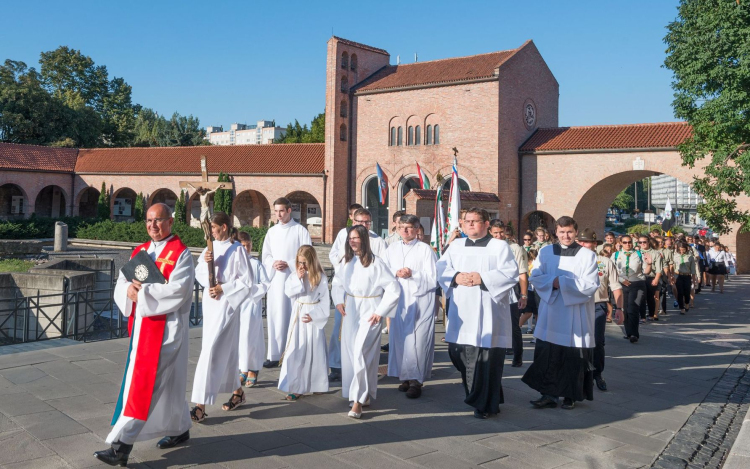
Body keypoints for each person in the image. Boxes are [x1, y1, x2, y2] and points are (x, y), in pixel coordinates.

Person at [95, 204, 195, 467]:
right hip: (143, 327)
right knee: (170, 382)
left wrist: (143, 294)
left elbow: (180, 290)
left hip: (166, 328)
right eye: (149, 220)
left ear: (171, 222)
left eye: (159, 220)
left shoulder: (181, 254)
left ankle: (121, 446)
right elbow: (123, 281)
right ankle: (179, 428)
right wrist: (128, 291)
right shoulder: (141, 251)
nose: (153, 225)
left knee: (145, 385)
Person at [437, 208, 519, 419]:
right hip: (461, 310)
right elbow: (440, 269)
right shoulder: (455, 245)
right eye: (467, 221)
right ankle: (486, 397)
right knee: (459, 355)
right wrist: (455, 277)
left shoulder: (499, 246)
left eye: (475, 221)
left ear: (486, 224)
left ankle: (484, 404)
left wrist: (482, 278)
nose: (470, 225)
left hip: (488, 313)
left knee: (486, 359)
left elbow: (510, 273)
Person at [522, 217, 599, 411]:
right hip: (551, 311)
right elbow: (535, 277)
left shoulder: (586, 256)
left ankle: (570, 396)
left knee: (572, 356)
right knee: (548, 354)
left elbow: (590, 285)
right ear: (555, 232)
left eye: (570, 232)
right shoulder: (546, 251)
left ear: (575, 232)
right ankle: (548, 394)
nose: (566, 236)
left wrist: (560, 283)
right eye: (562, 232)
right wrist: (553, 282)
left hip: (575, 312)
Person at [190, 212, 255, 422]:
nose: (213, 234)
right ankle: (238, 392)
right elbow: (199, 271)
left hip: (227, 304)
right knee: (224, 352)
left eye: (215, 229)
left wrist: (223, 288)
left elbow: (247, 281)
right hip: (210, 304)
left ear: (225, 227)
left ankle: (199, 405)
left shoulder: (237, 250)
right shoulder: (210, 247)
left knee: (210, 350)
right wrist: (206, 263)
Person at [332, 225, 400, 418]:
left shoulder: (376, 263)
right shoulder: (346, 262)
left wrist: (380, 311)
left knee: (361, 353)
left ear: (364, 239)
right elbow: (337, 283)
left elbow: (393, 288)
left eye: (356, 238)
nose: (352, 241)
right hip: (351, 309)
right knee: (352, 355)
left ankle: (358, 402)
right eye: (350, 238)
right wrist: (338, 301)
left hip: (370, 311)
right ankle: (364, 393)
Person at [328, 208, 386, 381]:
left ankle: (363, 368)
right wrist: (346, 265)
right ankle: (337, 365)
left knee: (364, 336)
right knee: (341, 330)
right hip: (349, 292)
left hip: (368, 296)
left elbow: (384, 265)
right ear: (353, 221)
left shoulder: (377, 240)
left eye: (367, 222)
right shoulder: (344, 235)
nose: (364, 225)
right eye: (360, 222)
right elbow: (334, 255)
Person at [384, 215, 438, 399]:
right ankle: (404, 377)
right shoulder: (391, 248)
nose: (405, 230)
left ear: (417, 229)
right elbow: (383, 271)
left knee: (418, 340)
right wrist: (396, 272)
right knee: (401, 339)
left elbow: (432, 277)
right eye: (402, 227)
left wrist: (412, 274)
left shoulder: (425, 250)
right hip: (400, 300)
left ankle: (416, 380)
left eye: (409, 227)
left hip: (420, 301)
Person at [262, 197, 312, 368]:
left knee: (291, 316)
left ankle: (292, 352)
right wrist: (273, 263)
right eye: (276, 211)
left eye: (281, 211)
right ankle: (274, 354)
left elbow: (307, 255)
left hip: (293, 280)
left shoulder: (300, 231)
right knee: (276, 316)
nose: (278, 214)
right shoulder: (272, 232)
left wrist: (290, 264)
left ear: (289, 210)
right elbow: (266, 255)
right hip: (276, 280)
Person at [279, 245, 330, 400]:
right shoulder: (294, 275)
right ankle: (296, 386)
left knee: (315, 351)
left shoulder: (321, 277)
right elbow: (288, 292)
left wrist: (315, 315)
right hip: (299, 316)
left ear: (312, 261)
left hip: (312, 316)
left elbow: (325, 301)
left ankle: (318, 384)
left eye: (305, 263)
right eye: (299, 262)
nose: (302, 266)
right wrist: (298, 280)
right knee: (298, 350)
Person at [577, 229, 623, 392]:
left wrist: (619, 308)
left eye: (587, 242)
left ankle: (597, 374)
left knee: (597, 342)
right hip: (578, 306)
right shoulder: (573, 260)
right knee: (578, 343)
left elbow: (615, 286)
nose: (583, 245)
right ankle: (580, 374)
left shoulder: (604, 261)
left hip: (598, 305)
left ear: (595, 244)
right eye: (581, 242)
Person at [489, 220, 528, 367]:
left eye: (501, 232)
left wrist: (524, 295)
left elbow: (522, 272)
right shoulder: (487, 246)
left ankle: (518, 356)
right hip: (491, 290)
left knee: (513, 325)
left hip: (511, 291)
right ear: (490, 232)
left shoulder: (514, 248)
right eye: (495, 233)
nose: (499, 235)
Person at [237, 232, 270, 388]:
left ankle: (253, 369)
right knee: (240, 339)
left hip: (251, 305)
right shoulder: (235, 263)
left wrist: (252, 290)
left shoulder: (256, 264)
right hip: (238, 305)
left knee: (252, 338)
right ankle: (243, 369)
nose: (245, 248)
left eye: (248, 245)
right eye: (242, 245)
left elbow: (265, 283)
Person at [614, 235, 651, 343]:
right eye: (624, 242)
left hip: (638, 284)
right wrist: (621, 280)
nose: (627, 244)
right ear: (620, 243)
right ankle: (628, 332)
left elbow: (646, 272)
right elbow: (611, 272)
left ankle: (634, 334)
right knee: (624, 309)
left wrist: (649, 263)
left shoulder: (639, 254)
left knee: (633, 309)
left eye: (629, 242)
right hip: (622, 284)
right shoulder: (616, 255)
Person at [640, 236, 664, 321]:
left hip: (651, 277)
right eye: (640, 242)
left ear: (648, 242)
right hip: (639, 278)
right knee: (641, 297)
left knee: (651, 297)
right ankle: (642, 316)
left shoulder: (655, 253)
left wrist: (656, 279)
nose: (642, 244)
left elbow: (659, 268)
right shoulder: (636, 253)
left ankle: (651, 315)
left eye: (644, 242)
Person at [674, 242, 698, 314]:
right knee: (680, 292)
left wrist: (694, 280)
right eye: (680, 250)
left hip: (687, 276)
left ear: (686, 249)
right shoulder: (675, 256)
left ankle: (687, 303)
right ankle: (682, 308)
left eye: (683, 250)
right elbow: (673, 267)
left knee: (687, 292)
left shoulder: (690, 257)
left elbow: (693, 270)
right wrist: (673, 277)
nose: (681, 251)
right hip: (678, 275)